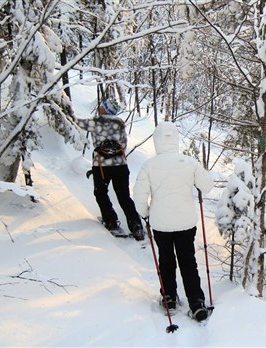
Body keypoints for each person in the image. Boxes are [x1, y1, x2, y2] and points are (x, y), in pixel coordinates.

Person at [132, 121, 214, 322]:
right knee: (188, 261)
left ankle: (168, 297)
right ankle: (196, 302)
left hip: (160, 223)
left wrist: (145, 214)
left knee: (166, 260)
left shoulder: (149, 166)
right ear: (176, 140)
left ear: (156, 141)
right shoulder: (189, 162)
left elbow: (139, 196)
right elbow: (208, 185)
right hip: (186, 222)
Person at [76, 99, 144, 241]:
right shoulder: (120, 124)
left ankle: (111, 222)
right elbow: (124, 144)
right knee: (124, 196)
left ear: (105, 109)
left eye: (102, 106)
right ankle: (136, 226)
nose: (100, 108)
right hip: (120, 166)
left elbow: (77, 123)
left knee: (100, 193)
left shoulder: (96, 122)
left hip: (101, 166)